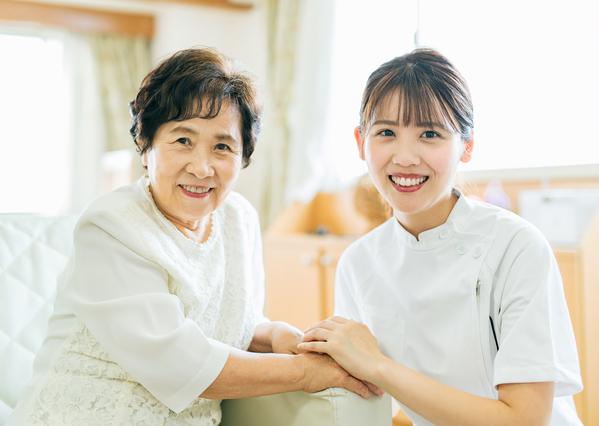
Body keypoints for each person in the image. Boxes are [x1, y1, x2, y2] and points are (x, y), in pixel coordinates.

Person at [8, 48, 378, 426]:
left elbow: (232, 323)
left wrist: (276, 336)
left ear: (242, 157)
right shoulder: (111, 227)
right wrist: (304, 372)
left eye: (222, 146)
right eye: (183, 140)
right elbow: (179, 365)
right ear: (146, 146)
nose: (201, 168)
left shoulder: (238, 219)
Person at [298, 49, 583, 425]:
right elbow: (362, 395)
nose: (405, 157)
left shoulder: (516, 247)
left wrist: (379, 367)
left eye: (429, 134)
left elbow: (525, 419)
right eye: (386, 133)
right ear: (360, 141)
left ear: (467, 145)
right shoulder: (359, 262)